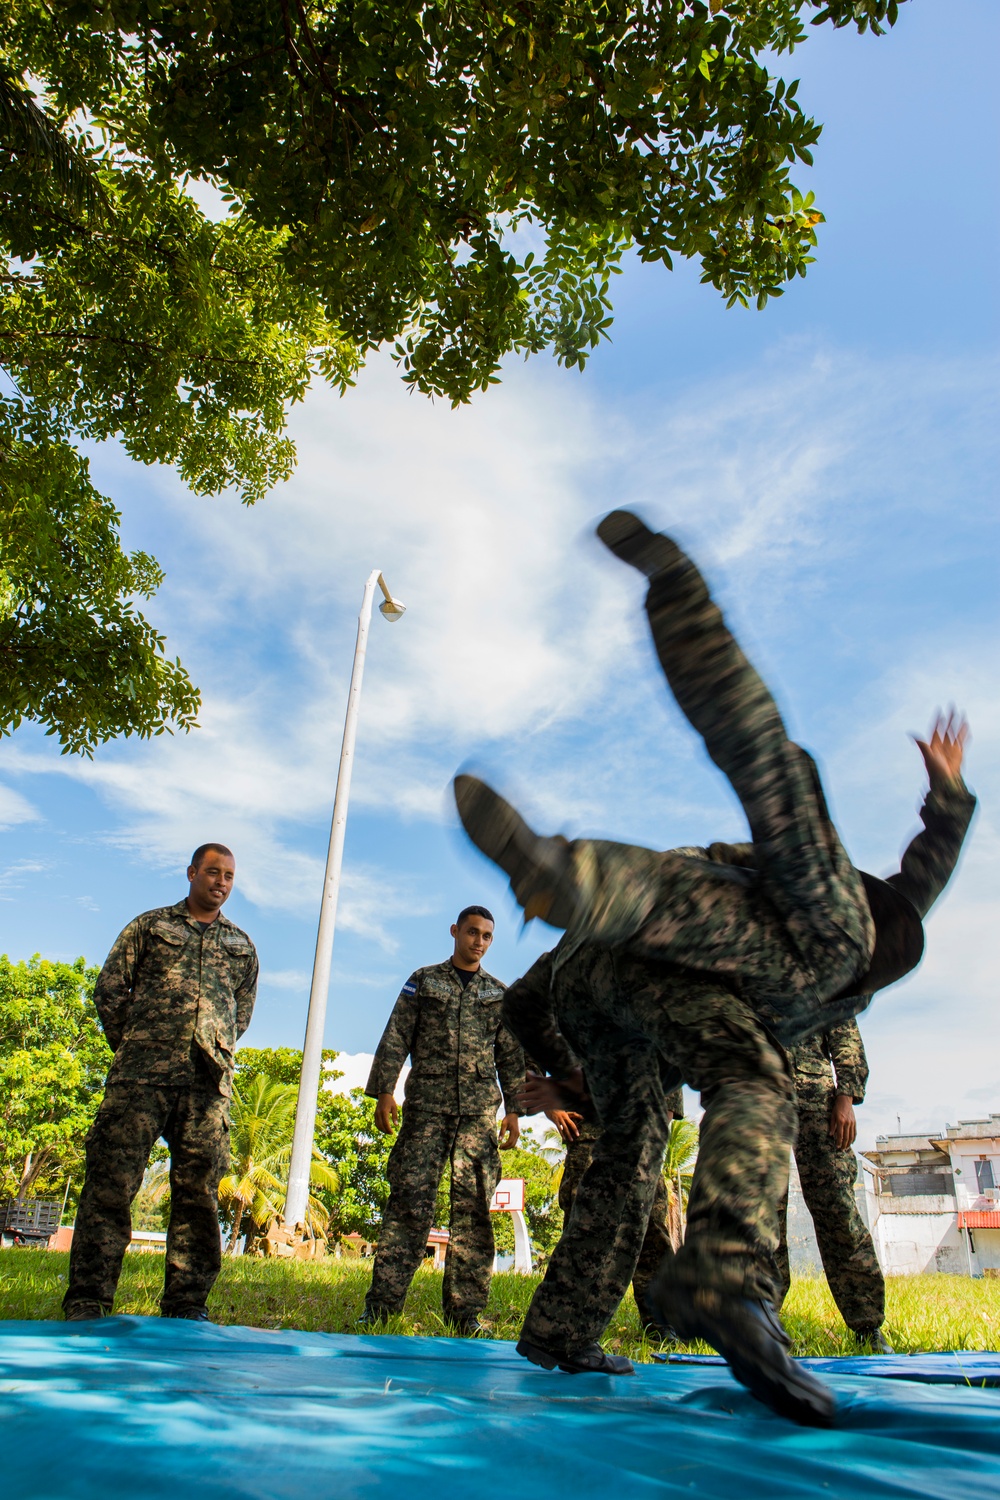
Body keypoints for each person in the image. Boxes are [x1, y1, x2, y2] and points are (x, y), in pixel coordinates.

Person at [456, 511, 975, 1424]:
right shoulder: (839, 924)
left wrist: (560, 1070)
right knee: (769, 806)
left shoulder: (755, 904)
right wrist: (948, 797)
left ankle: (561, 1331)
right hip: (729, 956)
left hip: (602, 978)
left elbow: (533, 998)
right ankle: (725, 1282)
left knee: (631, 1151)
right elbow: (915, 869)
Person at [63, 844, 258, 1322]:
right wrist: (135, 1043)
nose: (221, 882)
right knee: (111, 1185)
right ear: (192, 873)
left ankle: (187, 1304)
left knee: (199, 1196)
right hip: (141, 1078)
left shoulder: (242, 946)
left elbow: (241, 1013)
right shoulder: (151, 927)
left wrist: (212, 1047)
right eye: (213, 872)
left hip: (206, 1085)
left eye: (229, 876)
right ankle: (89, 1298)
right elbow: (110, 988)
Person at [360, 907, 525, 1333]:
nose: (479, 941)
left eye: (487, 936)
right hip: (426, 1110)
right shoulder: (425, 981)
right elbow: (397, 1034)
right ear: (455, 932)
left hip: (476, 1116)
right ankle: (381, 1306)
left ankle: (465, 1313)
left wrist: (514, 1110)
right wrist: (384, 1090)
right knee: (409, 1204)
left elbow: (510, 1055)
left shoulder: (498, 993)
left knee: (473, 1214)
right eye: (472, 932)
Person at [776, 1017, 890, 1351]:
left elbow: (844, 1033)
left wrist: (846, 1097)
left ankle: (867, 1324)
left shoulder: (819, 970)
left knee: (837, 1208)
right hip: (761, 1099)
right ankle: (764, 1321)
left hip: (817, 1101)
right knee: (764, 1214)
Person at [552, 1083, 685, 1329]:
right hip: (587, 1136)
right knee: (580, 1229)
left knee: (651, 1230)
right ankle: (569, 1322)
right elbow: (538, 1052)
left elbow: (669, 1061)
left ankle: (661, 1322)